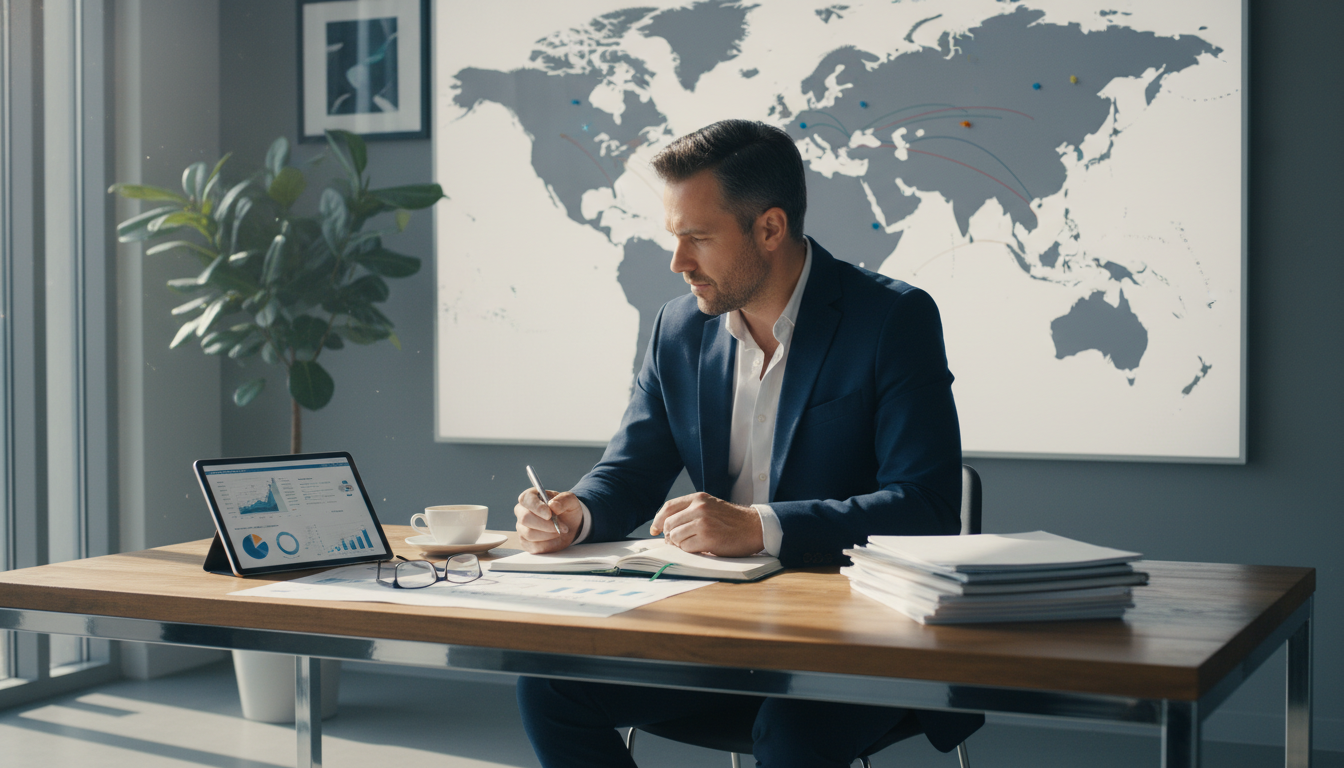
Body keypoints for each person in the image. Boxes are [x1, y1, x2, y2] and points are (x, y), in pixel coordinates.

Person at [512, 119, 983, 768]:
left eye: (698, 239)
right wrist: (578, 513)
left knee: (792, 733)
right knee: (549, 684)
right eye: (675, 239)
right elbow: (631, 469)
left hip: (852, 642)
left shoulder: (892, 320)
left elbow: (925, 507)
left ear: (769, 228)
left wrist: (759, 526)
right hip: (718, 633)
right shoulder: (677, 329)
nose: (678, 263)